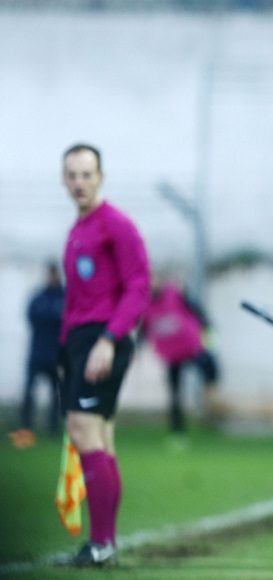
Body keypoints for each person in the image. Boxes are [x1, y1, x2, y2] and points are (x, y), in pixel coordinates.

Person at [59, 143, 151, 566]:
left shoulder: (116, 225)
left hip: (103, 339)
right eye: (72, 175)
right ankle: (104, 544)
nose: (79, 182)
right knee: (100, 437)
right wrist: (65, 349)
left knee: (84, 429)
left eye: (86, 174)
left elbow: (138, 287)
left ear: (101, 177)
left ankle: (100, 544)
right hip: (82, 340)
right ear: (64, 179)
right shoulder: (78, 229)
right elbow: (77, 299)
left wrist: (109, 340)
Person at [142, 274, 221, 434]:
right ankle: (177, 430)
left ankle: (210, 399)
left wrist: (207, 327)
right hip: (171, 354)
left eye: (153, 280)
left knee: (210, 368)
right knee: (175, 393)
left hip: (191, 347)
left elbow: (197, 311)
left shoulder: (175, 293)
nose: (151, 284)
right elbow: (144, 329)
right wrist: (137, 348)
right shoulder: (145, 304)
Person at [9, 260, 65, 448]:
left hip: (56, 355)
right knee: (29, 391)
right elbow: (32, 318)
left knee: (56, 394)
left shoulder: (65, 297)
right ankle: (26, 426)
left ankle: (53, 428)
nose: (51, 277)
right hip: (37, 354)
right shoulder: (38, 297)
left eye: (54, 274)